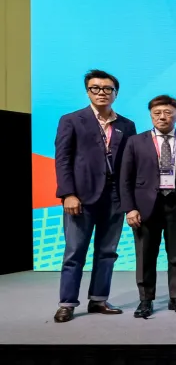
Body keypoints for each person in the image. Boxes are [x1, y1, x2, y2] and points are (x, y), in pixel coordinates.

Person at [53, 69, 137, 323]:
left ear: (115, 93)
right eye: (96, 88)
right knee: (74, 252)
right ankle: (67, 303)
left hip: (114, 197)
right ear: (88, 91)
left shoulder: (126, 125)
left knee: (108, 252)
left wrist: (130, 200)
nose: (102, 93)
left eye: (107, 89)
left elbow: (130, 165)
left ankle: (99, 300)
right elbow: (63, 159)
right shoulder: (72, 120)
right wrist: (68, 193)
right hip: (81, 197)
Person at [120, 95, 176, 319]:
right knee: (145, 256)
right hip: (145, 208)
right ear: (151, 116)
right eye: (157, 113)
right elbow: (125, 178)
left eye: (167, 113)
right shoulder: (135, 142)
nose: (162, 117)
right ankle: (146, 300)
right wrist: (130, 208)